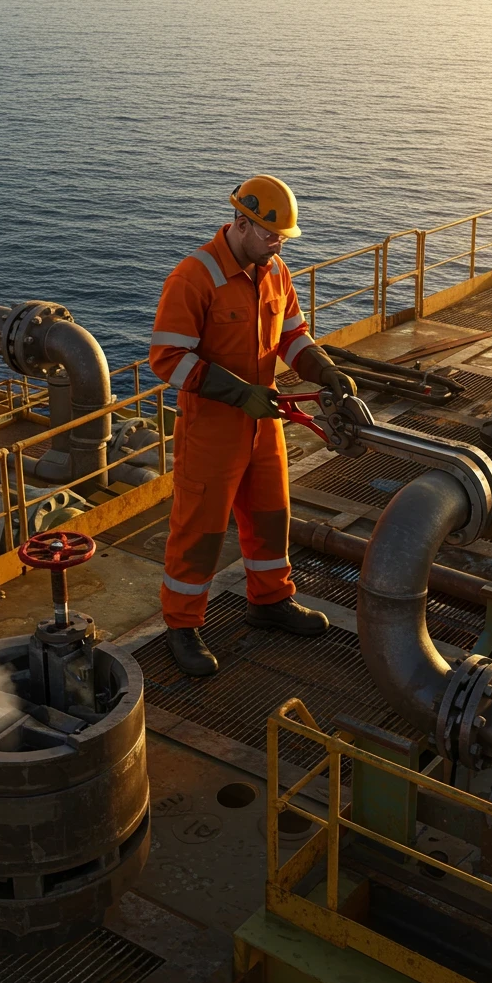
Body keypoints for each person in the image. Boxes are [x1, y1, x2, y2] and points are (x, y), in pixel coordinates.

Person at [148, 175, 357, 676]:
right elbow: (167, 359)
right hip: (213, 430)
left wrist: (323, 370)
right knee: (200, 529)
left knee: (269, 515)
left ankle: (269, 602)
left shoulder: (274, 271)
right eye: (269, 233)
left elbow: (293, 336)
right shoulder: (194, 277)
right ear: (241, 223)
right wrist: (240, 392)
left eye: (282, 236)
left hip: (264, 422)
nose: (278, 243)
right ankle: (181, 625)